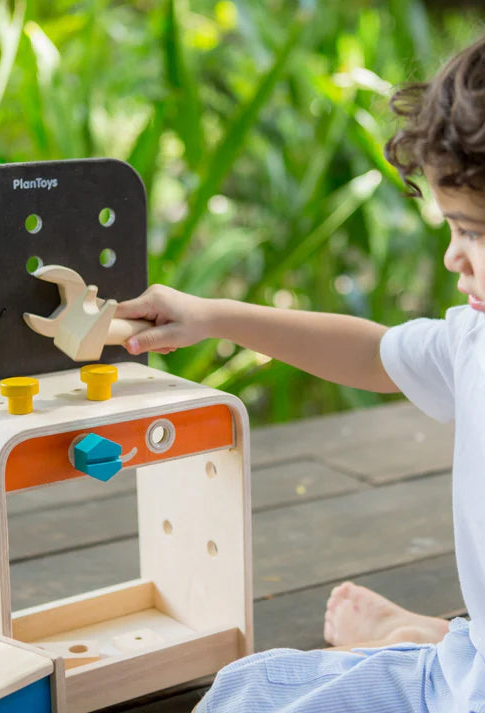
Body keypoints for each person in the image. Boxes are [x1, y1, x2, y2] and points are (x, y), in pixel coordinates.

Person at [115, 35, 485, 713]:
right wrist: (212, 316)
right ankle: (439, 641)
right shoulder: (476, 342)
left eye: (472, 232)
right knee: (248, 691)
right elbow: (373, 354)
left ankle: (424, 640)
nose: (452, 258)